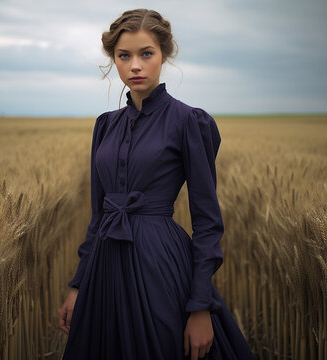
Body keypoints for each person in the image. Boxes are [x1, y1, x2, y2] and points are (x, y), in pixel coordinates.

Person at [59, 8, 256, 360]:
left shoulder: (189, 121)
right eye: (124, 56)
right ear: (114, 61)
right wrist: (78, 285)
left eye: (146, 54)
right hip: (104, 269)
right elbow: (97, 215)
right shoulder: (105, 125)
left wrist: (200, 307)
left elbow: (208, 223)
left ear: (163, 55)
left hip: (160, 265)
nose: (135, 65)